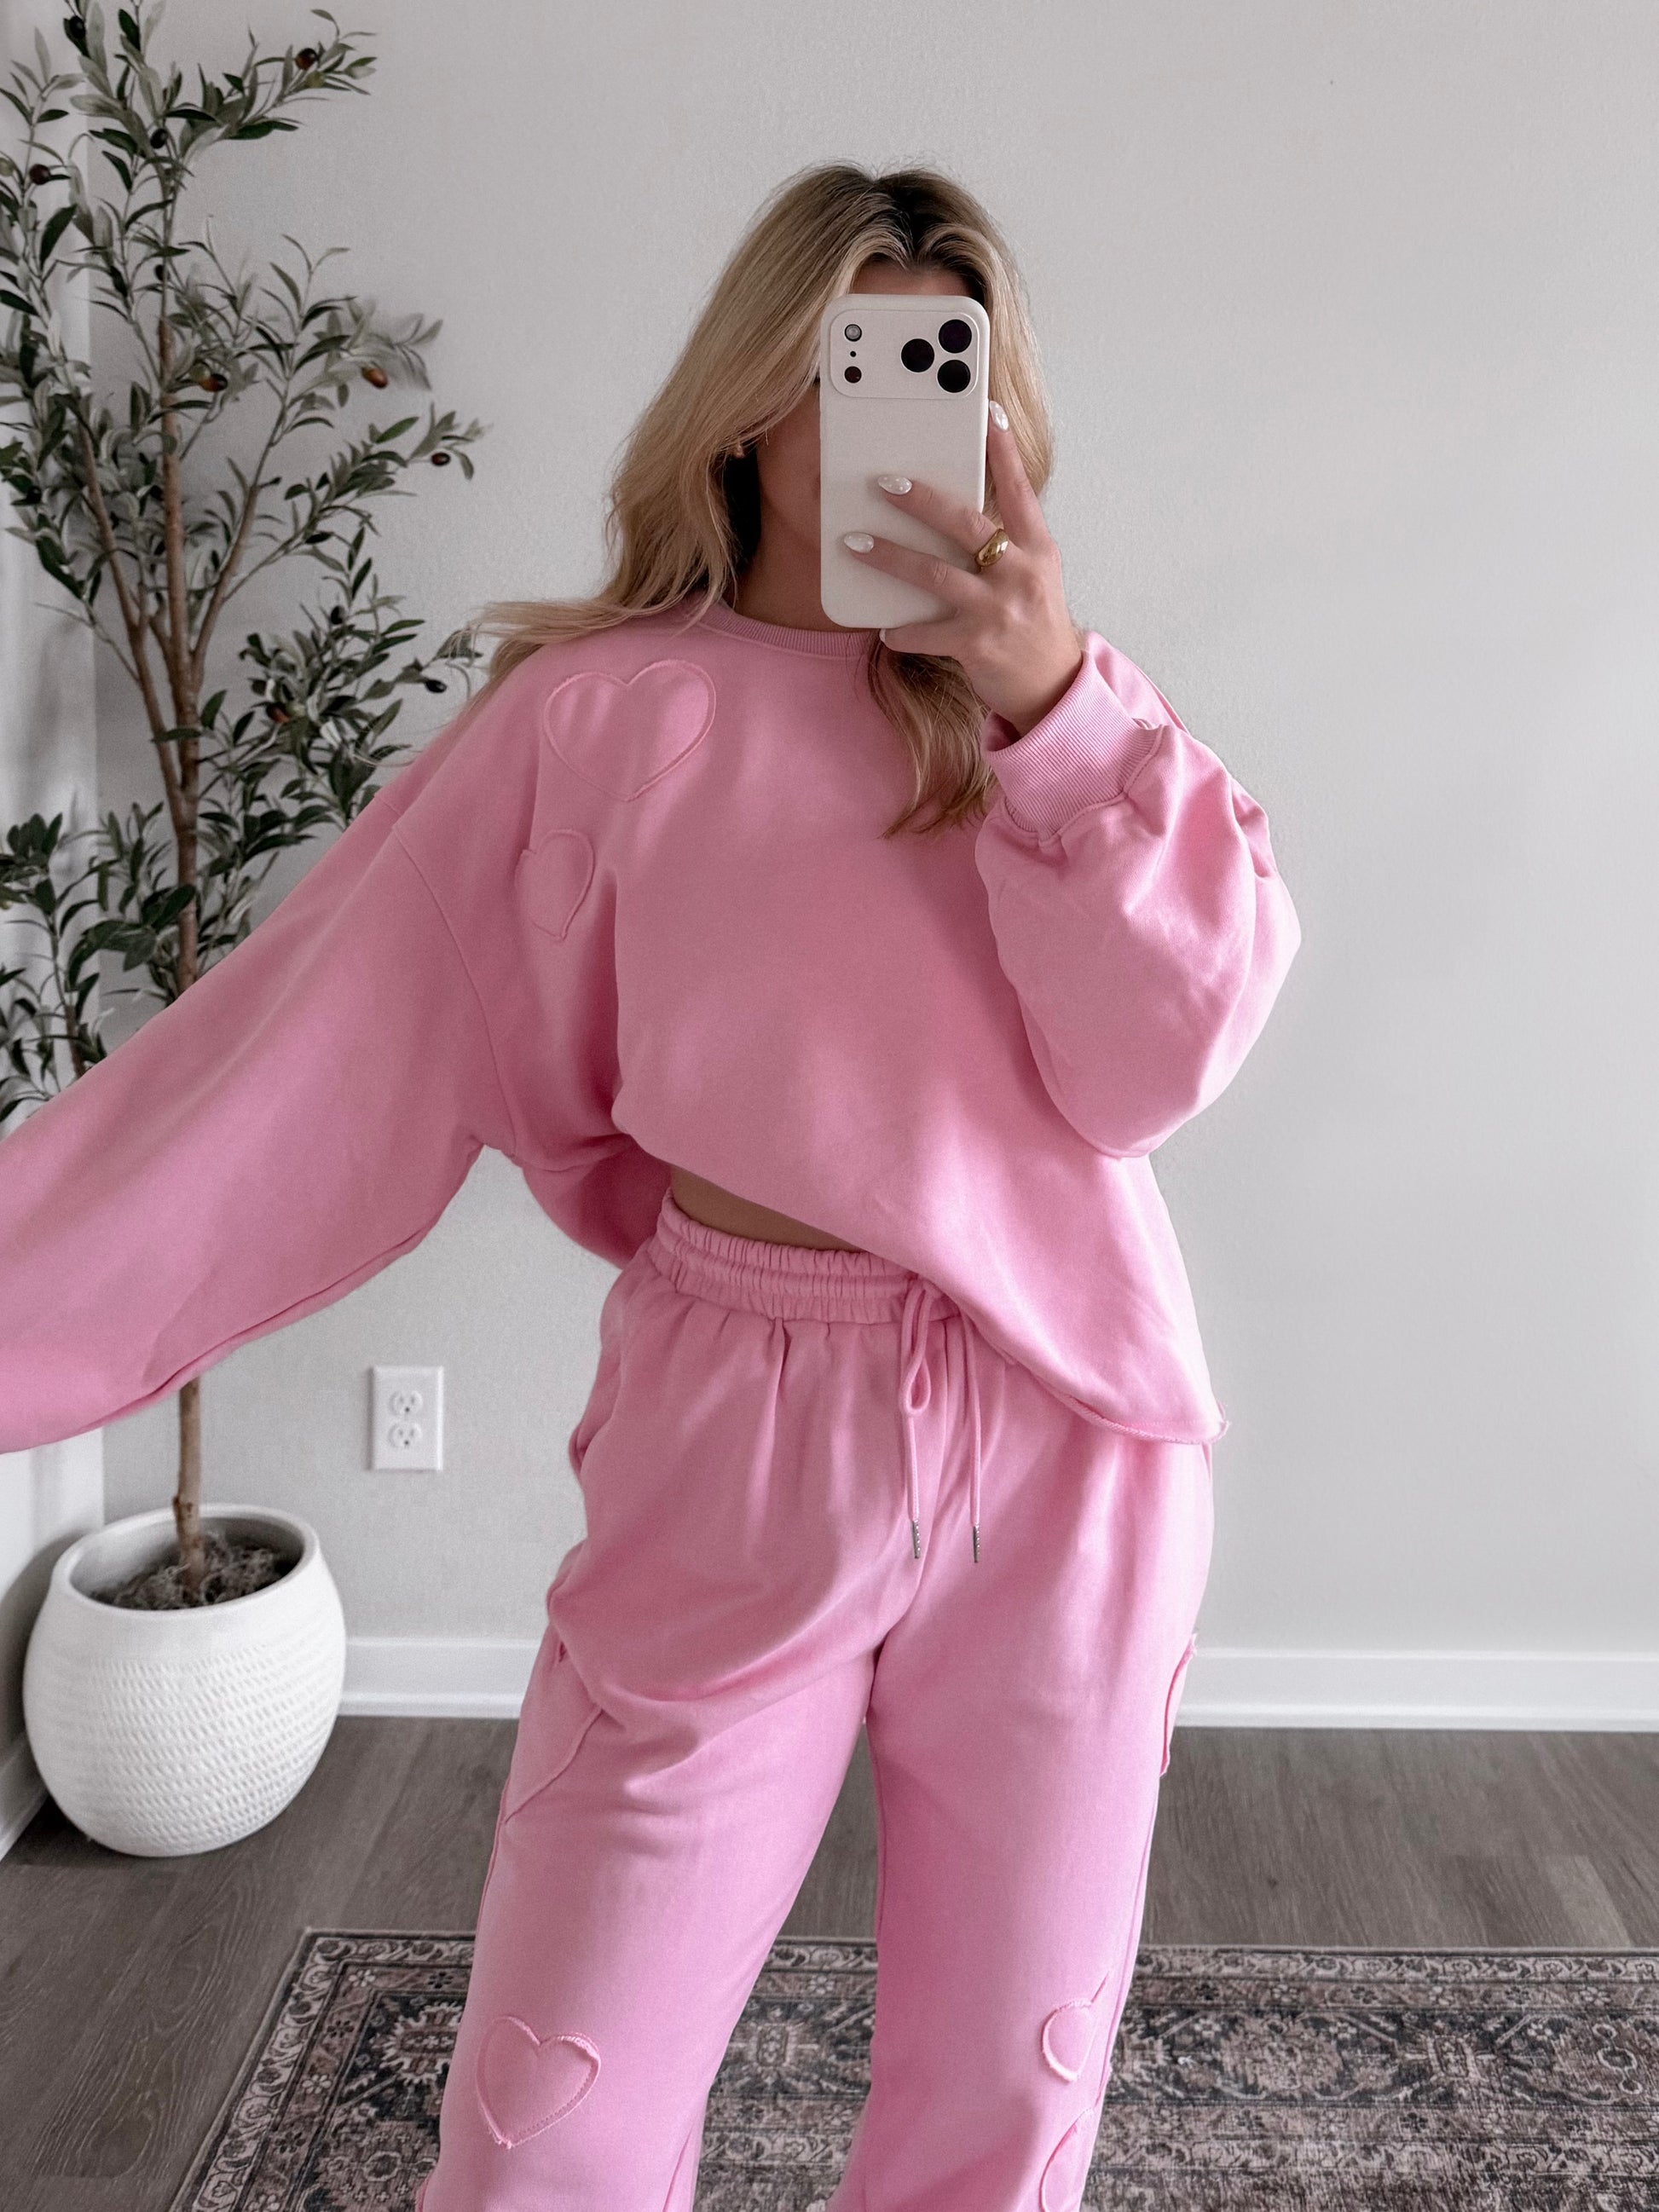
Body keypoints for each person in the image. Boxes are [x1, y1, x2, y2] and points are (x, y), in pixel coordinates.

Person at [0, 162, 1302, 2209]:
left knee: (1005, 2112)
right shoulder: (604, 717)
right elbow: (306, 1045)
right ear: (747, 402)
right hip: (735, 1420)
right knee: (554, 2121)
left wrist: (1051, 709)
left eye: (947, 369)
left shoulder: (1055, 714)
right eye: (852, 361)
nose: (899, 414)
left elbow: (1161, 1059)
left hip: (1068, 1439)